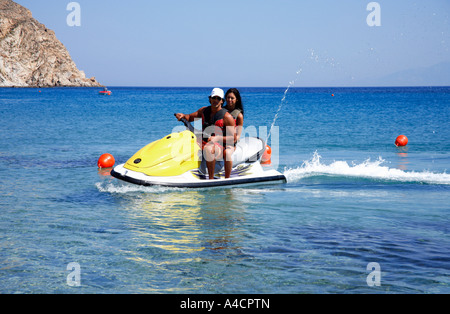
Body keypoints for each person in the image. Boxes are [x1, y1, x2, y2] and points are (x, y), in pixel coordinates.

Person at [175, 88, 236, 179]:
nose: (215, 100)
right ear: (210, 99)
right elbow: (189, 117)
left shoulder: (227, 117)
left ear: (222, 101)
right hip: (205, 141)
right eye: (213, 98)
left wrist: (217, 138)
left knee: (208, 148)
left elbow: (233, 138)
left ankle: (210, 179)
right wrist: (182, 116)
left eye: (218, 99)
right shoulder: (203, 111)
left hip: (221, 146)